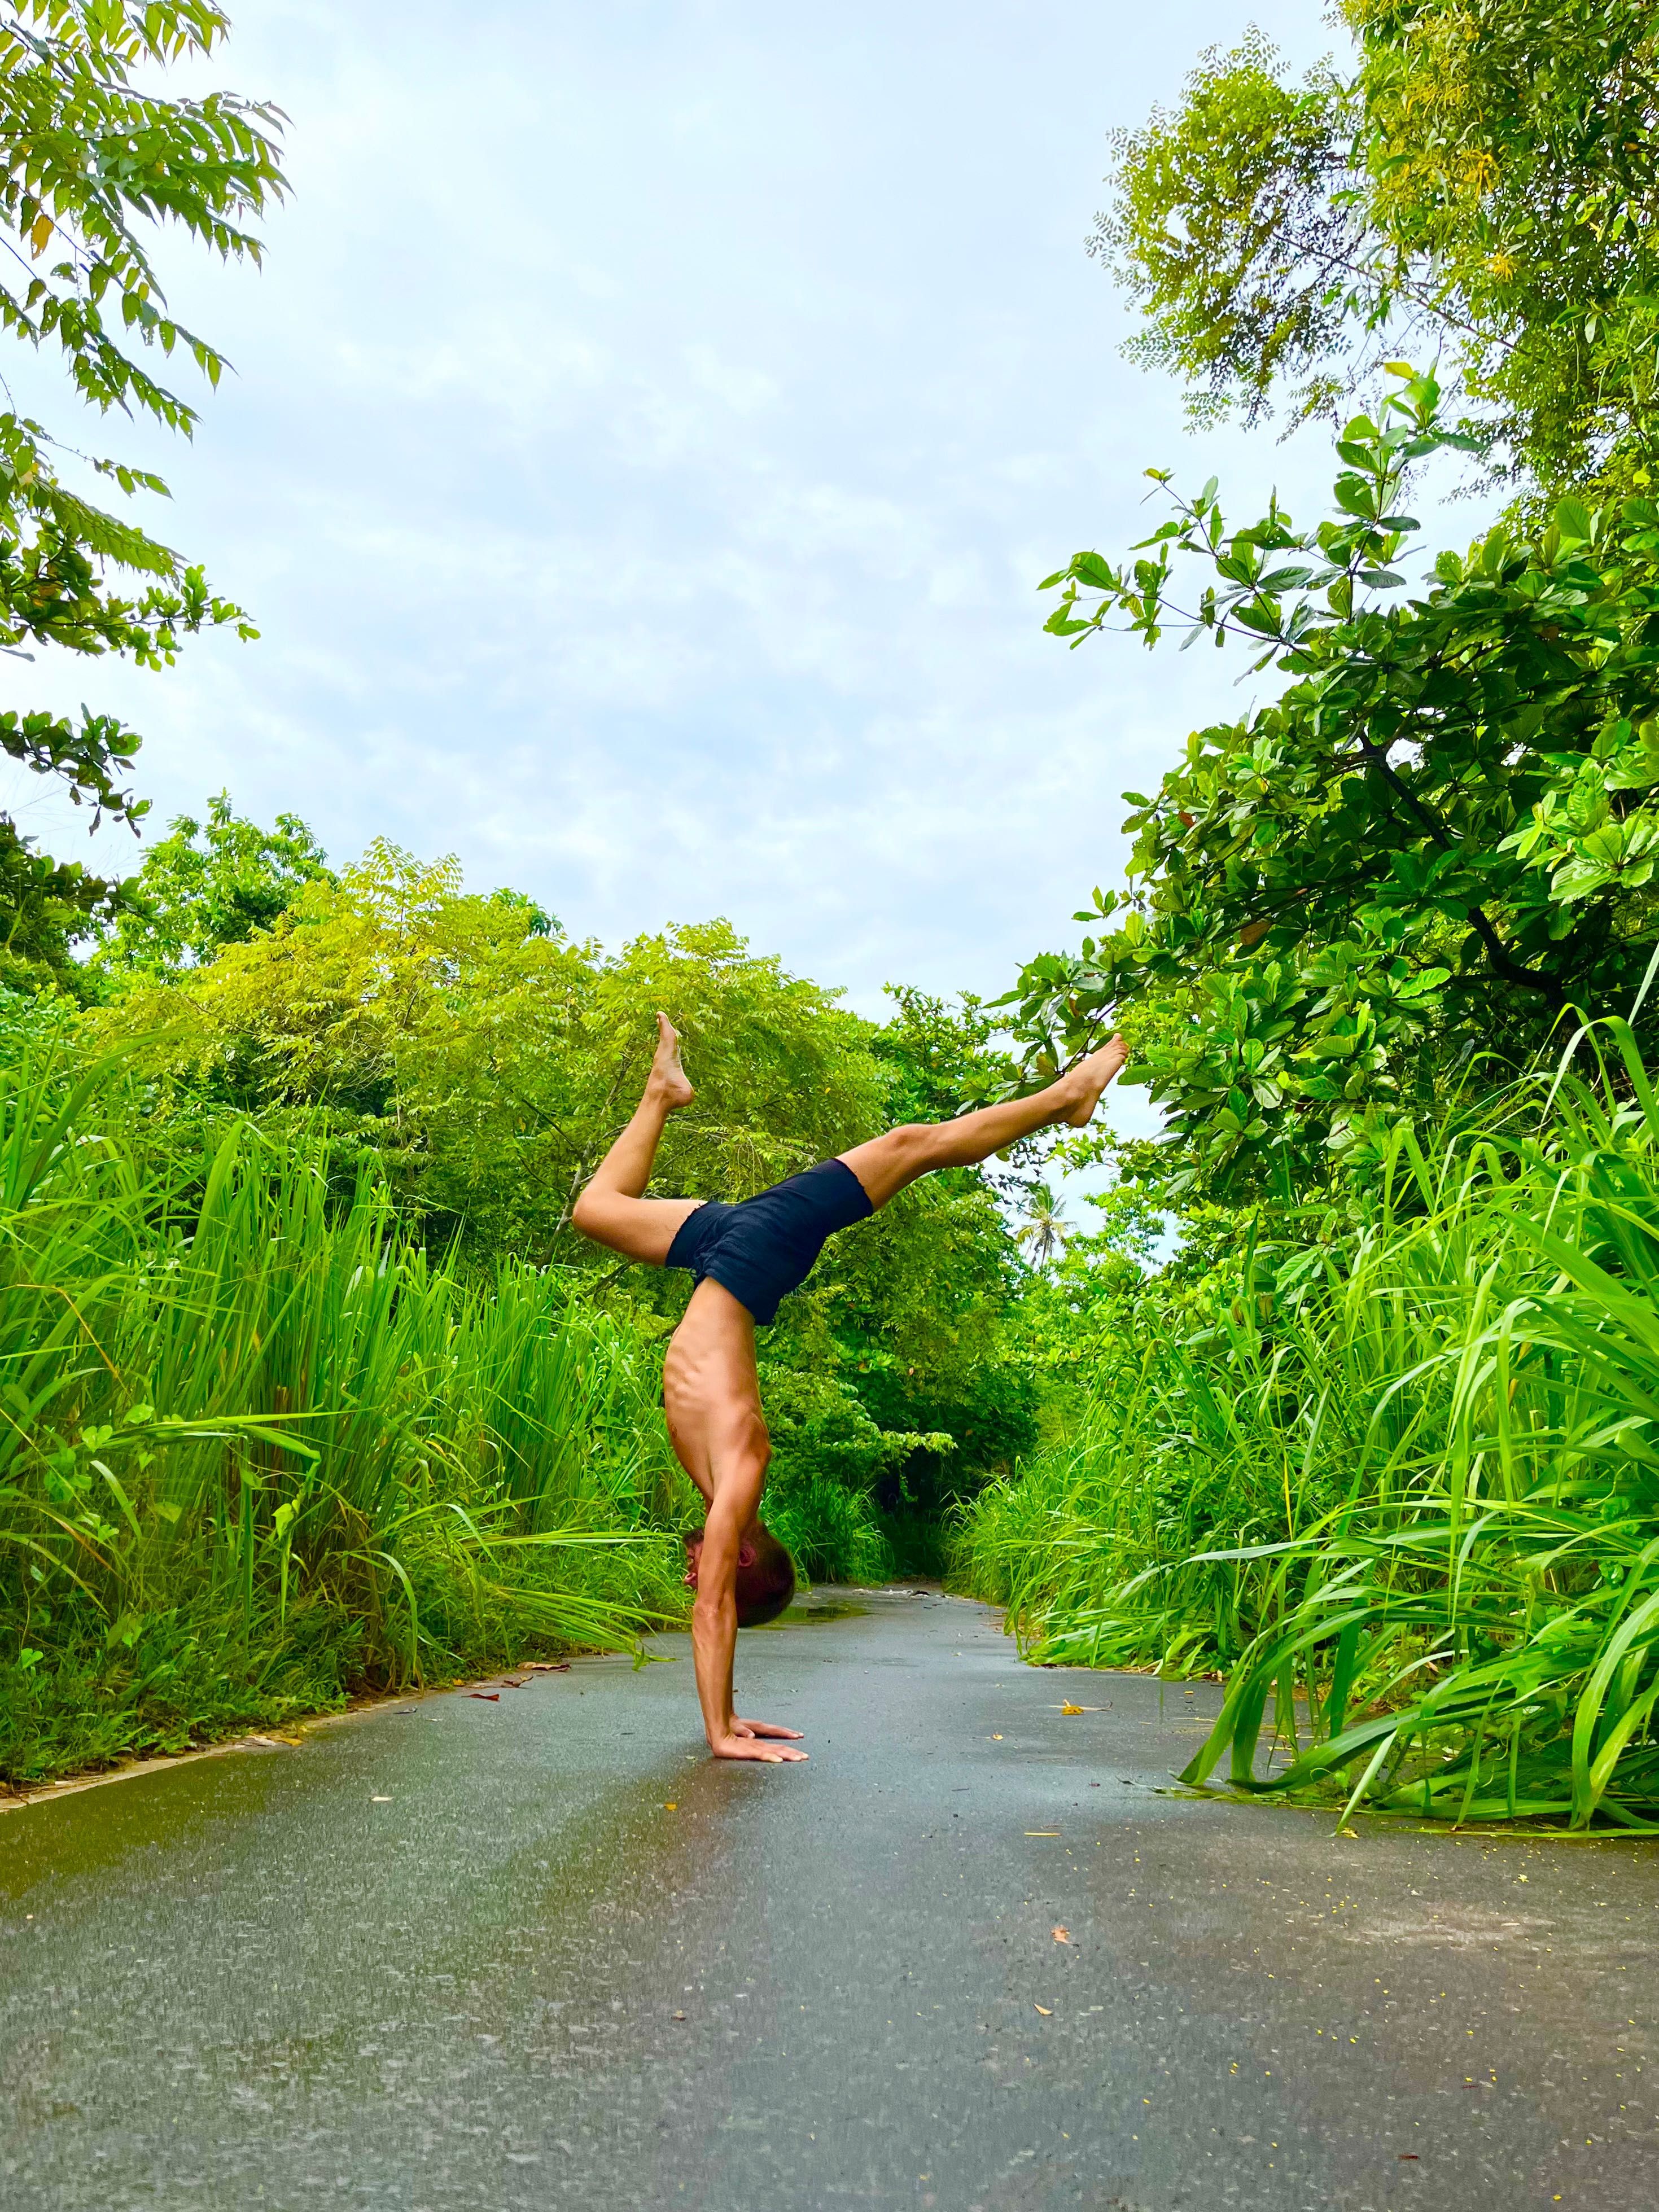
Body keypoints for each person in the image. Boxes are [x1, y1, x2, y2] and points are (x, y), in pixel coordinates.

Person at [571, 1015, 1129, 1763]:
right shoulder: (741, 1471)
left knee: (593, 1210)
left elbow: (718, 1604)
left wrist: (734, 1718)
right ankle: (1067, 1097)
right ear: (738, 1557)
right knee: (910, 1146)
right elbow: (714, 1611)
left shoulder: (715, 1483)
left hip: (718, 1254)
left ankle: (662, 1094)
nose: (690, 1572)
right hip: (752, 1258)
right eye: (706, 1570)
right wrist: (719, 1734)